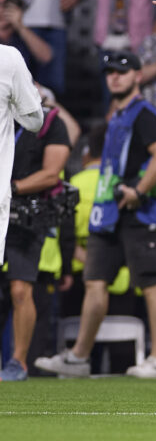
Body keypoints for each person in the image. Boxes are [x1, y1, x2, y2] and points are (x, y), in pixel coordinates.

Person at [34, 50, 156, 379]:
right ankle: (80, 357)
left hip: (139, 211)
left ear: (138, 76)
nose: (114, 77)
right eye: (110, 72)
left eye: (122, 72)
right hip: (108, 211)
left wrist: (138, 191)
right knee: (94, 282)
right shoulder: (117, 115)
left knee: (151, 284)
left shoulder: (144, 114)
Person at [0, 84, 70, 382]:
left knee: (20, 289)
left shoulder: (51, 121)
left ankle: (18, 362)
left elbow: (52, 173)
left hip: (26, 215)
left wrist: (9, 188)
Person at [0, 46, 43, 377]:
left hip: (22, 207)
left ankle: (17, 360)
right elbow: (33, 118)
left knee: (19, 289)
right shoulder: (9, 59)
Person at [0, 0, 53, 72]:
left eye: (8, 4)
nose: (2, 9)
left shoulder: (23, 37)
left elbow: (46, 57)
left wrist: (20, 26)